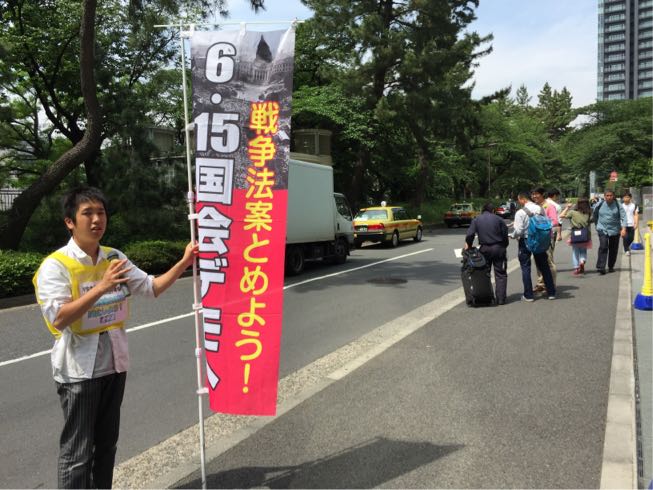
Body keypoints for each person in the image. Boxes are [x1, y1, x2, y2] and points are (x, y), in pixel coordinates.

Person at [33, 187, 198, 489]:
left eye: (101, 212)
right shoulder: (55, 266)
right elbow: (58, 317)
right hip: (79, 372)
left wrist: (184, 262)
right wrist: (102, 287)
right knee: (77, 454)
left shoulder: (114, 257)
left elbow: (151, 287)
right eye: (87, 213)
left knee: (106, 447)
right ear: (70, 222)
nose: (97, 219)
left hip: (114, 365)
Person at [510, 191, 556, 301]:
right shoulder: (540, 209)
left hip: (526, 240)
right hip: (540, 240)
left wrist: (512, 235)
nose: (519, 202)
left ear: (522, 199)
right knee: (544, 266)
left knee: (526, 267)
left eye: (519, 200)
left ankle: (528, 295)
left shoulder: (520, 212)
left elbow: (519, 230)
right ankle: (551, 293)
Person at [464, 202, 510, 305]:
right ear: (493, 210)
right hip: (498, 248)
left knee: (484, 273)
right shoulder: (499, 219)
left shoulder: (476, 220)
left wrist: (469, 245)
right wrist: (503, 246)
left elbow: (470, 234)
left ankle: (486, 298)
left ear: (482, 210)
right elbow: (505, 234)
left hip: (484, 249)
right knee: (500, 274)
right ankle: (501, 299)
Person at [531, 187, 559, 294]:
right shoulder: (534, 207)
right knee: (538, 262)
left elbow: (554, 221)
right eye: (533, 194)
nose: (534, 196)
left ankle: (551, 285)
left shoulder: (549, 206)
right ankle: (541, 284)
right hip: (536, 238)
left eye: (536, 194)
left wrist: (542, 225)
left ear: (543, 194)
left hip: (546, 238)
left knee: (549, 262)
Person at [592, 189, 626, 274]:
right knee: (603, 246)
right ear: (604, 196)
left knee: (613, 249)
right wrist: (596, 225)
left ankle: (611, 266)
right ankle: (601, 267)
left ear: (613, 196)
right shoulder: (600, 204)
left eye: (611, 195)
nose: (609, 197)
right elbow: (594, 215)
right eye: (607, 195)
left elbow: (624, 217)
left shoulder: (618, 205)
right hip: (602, 228)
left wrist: (624, 229)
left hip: (615, 229)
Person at [559, 197, 593, 275]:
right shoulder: (588, 213)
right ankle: (582, 261)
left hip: (575, 234)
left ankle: (576, 267)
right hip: (585, 234)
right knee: (583, 251)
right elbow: (591, 221)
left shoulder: (572, 212)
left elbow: (561, 215)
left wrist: (567, 207)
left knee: (575, 252)